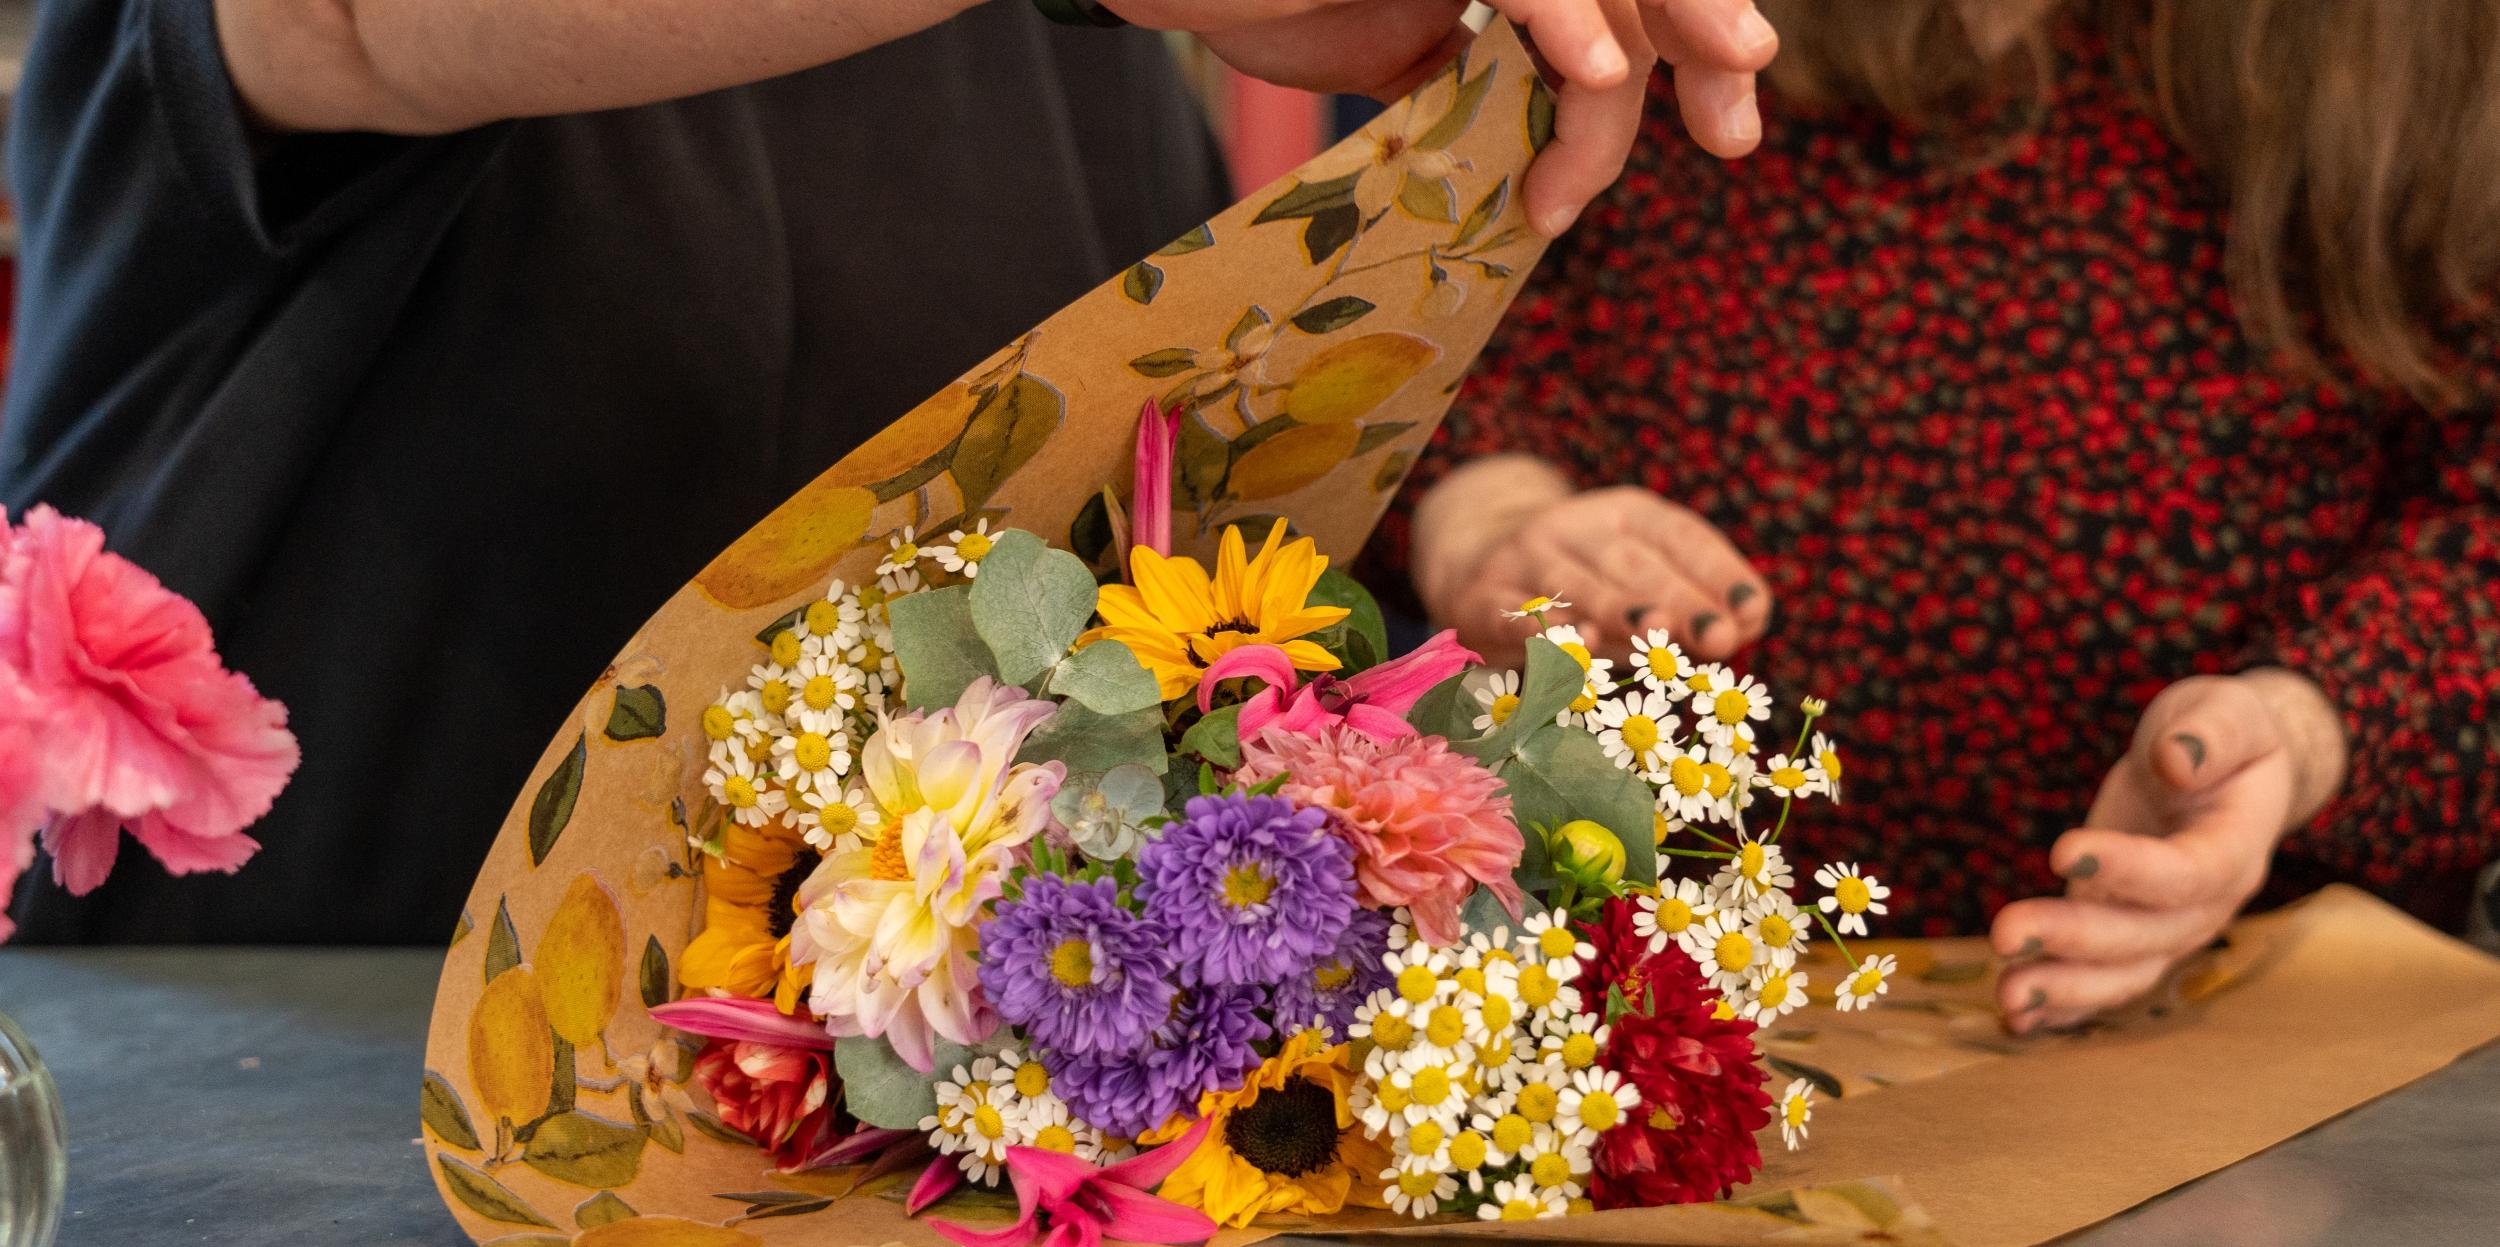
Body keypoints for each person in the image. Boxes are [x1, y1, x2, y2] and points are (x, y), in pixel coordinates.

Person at [0, 0, 1782, 943]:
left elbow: (1166, 510)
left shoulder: (1057, 54)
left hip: (854, 1130)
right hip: (273, 1110)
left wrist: (1477, 547)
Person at [1366, 0, 2500, 1031]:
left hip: (2275, 1040)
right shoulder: (1668, 29)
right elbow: (1473, 309)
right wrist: (1489, 516)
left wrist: (2300, 731)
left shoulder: (2414, 59)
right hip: (1652, 1012)